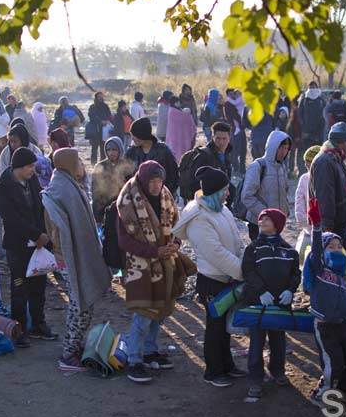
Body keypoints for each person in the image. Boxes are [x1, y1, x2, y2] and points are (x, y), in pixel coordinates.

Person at [172, 166, 246, 387]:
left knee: (224, 326)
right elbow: (216, 253)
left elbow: (236, 239)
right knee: (215, 327)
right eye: (224, 190)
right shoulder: (199, 218)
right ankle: (213, 371)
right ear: (214, 191)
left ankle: (227, 365)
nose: (228, 193)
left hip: (228, 277)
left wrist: (244, 261)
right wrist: (242, 271)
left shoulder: (221, 209)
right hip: (212, 281)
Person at [117, 161, 187, 383]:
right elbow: (124, 240)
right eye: (152, 182)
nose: (156, 186)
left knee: (161, 309)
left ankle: (149, 350)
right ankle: (134, 359)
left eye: (159, 181)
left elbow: (177, 225)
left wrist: (175, 244)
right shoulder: (128, 199)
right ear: (144, 180)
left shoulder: (166, 196)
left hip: (165, 260)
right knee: (144, 311)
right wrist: (155, 250)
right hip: (141, 266)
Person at [42, 148, 112, 371]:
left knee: (82, 303)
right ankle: (68, 353)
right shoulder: (62, 189)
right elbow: (58, 227)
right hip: (68, 258)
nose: (82, 165)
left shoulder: (68, 185)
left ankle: (73, 345)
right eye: (79, 161)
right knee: (80, 304)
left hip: (71, 255)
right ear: (70, 164)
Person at [0, 147, 57, 346]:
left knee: (38, 287)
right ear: (19, 167)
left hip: (37, 245)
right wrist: (36, 234)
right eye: (29, 166)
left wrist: (43, 235)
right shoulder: (2, 186)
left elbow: (39, 208)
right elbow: (11, 218)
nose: (33, 170)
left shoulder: (31, 181)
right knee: (19, 288)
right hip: (17, 245)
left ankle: (39, 324)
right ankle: (19, 329)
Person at [241, 208, 301, 399]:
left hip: (281, 304)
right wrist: (260, 292)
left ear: (278, 224)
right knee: (257, 342)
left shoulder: (289, 251)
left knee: (278, 340)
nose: (262, 222)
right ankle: (255, 378)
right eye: (261, 219)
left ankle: (278, 370)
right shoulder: (253, 248)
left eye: (267, 219)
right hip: (259, 304)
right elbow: (248, 271)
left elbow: (295, 274)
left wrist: (290, 290)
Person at [304, 198, 346, 405]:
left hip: (343, 322)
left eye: (338, 246)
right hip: (325, 324)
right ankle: (322, 392)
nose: (336, 249)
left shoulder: (343, 273)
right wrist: (317, 227)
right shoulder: (319, 269)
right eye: (331, 246)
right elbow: (316, 248)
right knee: (333, 363)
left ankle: (341, 390)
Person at [239, 129, 290, 241]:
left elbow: (284, 191)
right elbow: (247, 196)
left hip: (277, 223)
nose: (283, 152)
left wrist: (285, 211)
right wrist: (266, 216)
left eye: (286, 148)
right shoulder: (258, 166)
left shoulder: (282, 167)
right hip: (259, 224)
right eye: (281, 148)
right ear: (273, 147)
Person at [309, 123, 346, 239]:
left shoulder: (337, 158)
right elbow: (325, 196)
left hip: (339, 222)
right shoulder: (325, 161)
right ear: (341, 143)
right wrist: (326, 227)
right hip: (331, 225)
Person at [180, 121, 234, 201]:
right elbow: (194, 182)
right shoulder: (204, 156)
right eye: (218, 138)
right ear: (213, 137)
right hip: (204, 202)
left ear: (229, 138)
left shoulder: (226, 155)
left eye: (224, 138)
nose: (221, 142)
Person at [125, 117, 179, 194]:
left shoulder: (163, 151)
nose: (132, 139)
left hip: (160, 197)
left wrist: (165, 195)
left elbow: (173, 176)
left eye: (134, 135)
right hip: (137, 197)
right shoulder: (131, 153)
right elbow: (125, 176)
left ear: (142, 135)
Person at [91, 137, 131, 225]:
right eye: (108, 150)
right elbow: (95, 193)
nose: (111, 153)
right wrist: (97, 217)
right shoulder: (100, 167)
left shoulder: (126, 167)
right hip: (105, 210)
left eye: (114, 150)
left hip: (122, 209)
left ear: (120, 150)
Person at [299, 82, 328, 174]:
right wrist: (303, 126)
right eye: (311, 87)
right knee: (306, 152)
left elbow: (325, 114)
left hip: (319, 132)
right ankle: (305, 171)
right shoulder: (304, 100)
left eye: (314, 87)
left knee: (318, 151)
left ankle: (318, 170)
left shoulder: (321, 100)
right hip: (306, 132)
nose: (312, 89)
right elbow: (300, 115)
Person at [87, 92, 114, 164]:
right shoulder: (92, 107)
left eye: (101, 97)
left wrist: (108, 121)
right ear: (96, 98)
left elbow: (109, 115)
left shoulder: (105, 106)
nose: (100, 98)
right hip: (95, 130)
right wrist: (100, 122)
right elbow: (91, 117)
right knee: (94, 148)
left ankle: (103, 164)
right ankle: (93, 164)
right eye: (99, 97)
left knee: (104, 148)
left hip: (104, 130)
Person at [225, 88, 248, 173]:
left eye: (233, 94)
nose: (233, 96)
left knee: (243, 149)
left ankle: (242, 168)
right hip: (235, 129)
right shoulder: (228, 104)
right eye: (231, 94)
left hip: (240, 128)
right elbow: (231, 117)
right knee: (235, 149)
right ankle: (236, 168)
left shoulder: (236, 102)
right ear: (228, 95)